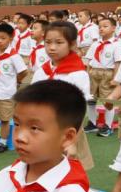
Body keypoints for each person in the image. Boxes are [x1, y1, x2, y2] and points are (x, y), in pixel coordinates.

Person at [33, 21, 94, 170]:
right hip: (42, 130)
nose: (52, 47)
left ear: (72, 44)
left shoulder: (77, 73)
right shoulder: (42, 71)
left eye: (59, 42)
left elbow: (79, 110)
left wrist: (71, 142)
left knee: (70, 172)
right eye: (48, 42)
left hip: (68, 131)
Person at [0, 23, 28, 154]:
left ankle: (3, 142)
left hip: (6, 93)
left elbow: (23, 71)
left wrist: (16, 81)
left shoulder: (13, 56)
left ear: (10, 38)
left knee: (4, 119)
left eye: (3, 38)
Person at [84, 16, 120, 137]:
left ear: (113, 28)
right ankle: (92, 123)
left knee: (108, 100)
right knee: (91, 99)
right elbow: (89, 60)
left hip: (107, 74)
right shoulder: (95, 44)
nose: (101, 29)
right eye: (100, 27)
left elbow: (118, 63)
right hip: (93, 73)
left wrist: (115, 78)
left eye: (105, 26)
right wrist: (87, 74)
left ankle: (108, 126)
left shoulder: (116, 45)